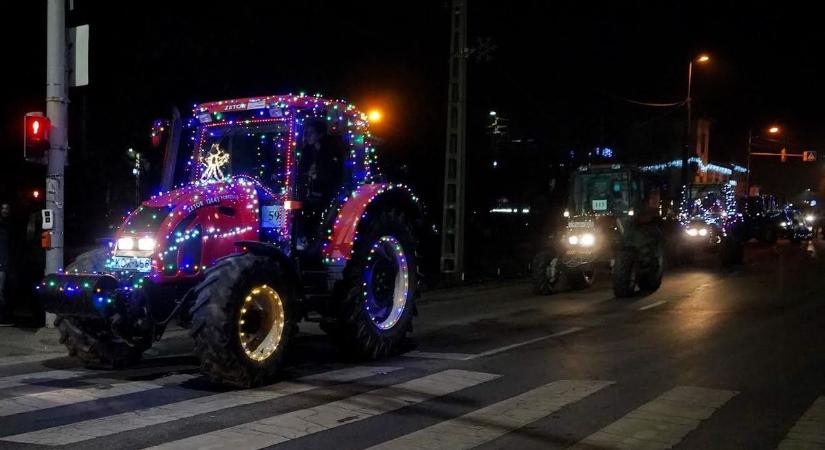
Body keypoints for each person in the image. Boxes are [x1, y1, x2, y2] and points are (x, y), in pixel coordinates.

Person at [0, 203, 13, 326]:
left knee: (2, 291)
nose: (5, 211)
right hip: (3, 263)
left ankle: (4, 317)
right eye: (3, 208)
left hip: (3, 264)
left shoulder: (9, 226)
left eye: (7, 208)